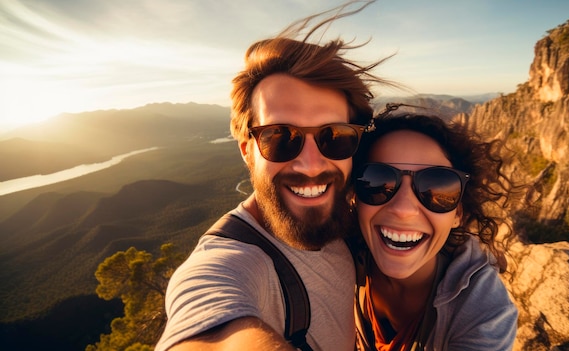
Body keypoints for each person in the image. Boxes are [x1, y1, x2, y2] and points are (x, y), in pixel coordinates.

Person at [155, 2, 392, 351]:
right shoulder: (232, 265)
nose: (312, 164)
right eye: (280, 138)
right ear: (246, 149)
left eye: (335, 137)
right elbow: (210, 332)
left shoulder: (348, 218)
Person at [350, 104, 521, 350]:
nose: (404, 209)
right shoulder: (333, 256)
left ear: (458, 214)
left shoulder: (484, 311)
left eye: (438, 188)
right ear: (354, 197)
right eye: (378, 182)